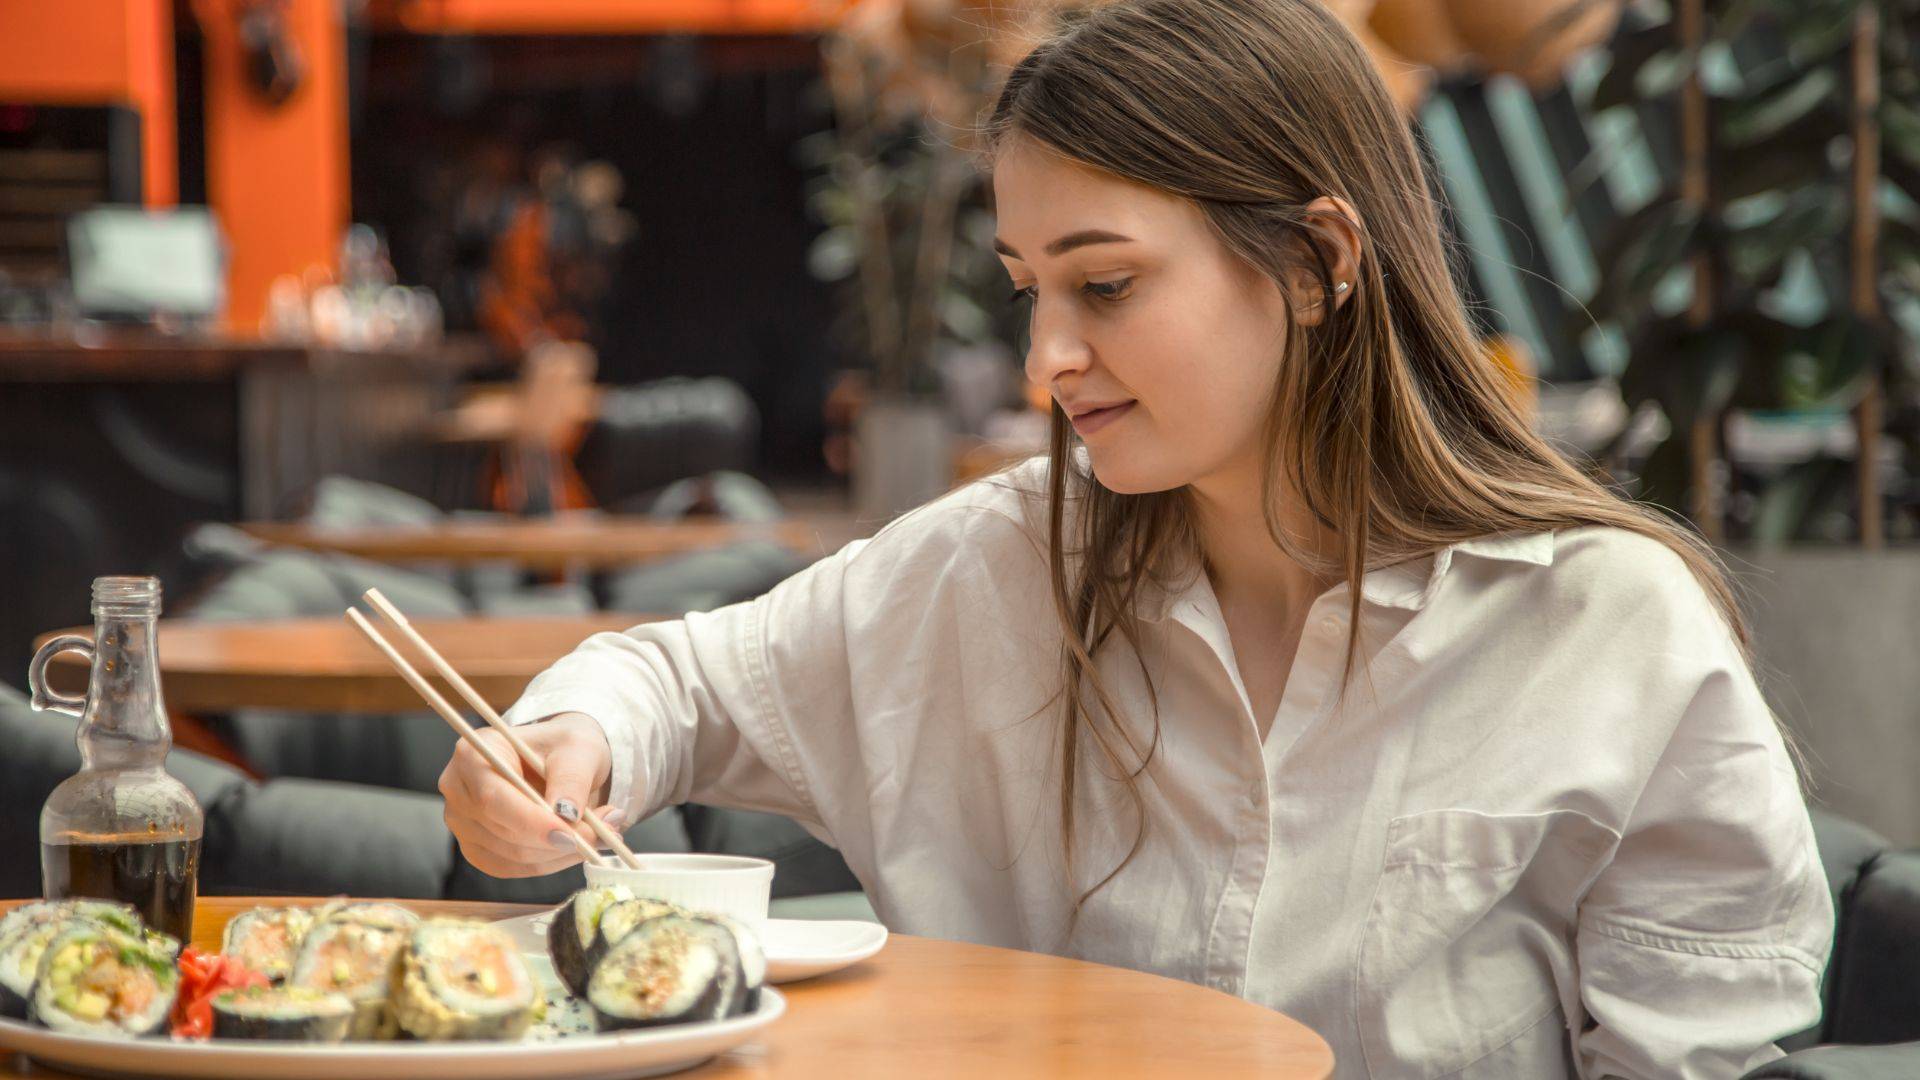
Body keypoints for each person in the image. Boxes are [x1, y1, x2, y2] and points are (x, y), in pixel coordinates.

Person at [438, 1, 1831, 1075]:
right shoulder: (995, 571)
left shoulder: (1605, 630)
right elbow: (675, 684)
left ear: (1317, 261)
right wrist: (569, 744)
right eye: (1028, 288)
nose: (1049, 356)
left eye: (1104, 283)